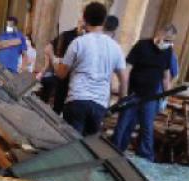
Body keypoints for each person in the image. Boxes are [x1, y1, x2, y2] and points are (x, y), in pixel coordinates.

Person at [56, 2, 128, 135]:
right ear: (104, 20)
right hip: (99, 104)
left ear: (85, 19)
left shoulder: (78, 42)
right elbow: (124, 79)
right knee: (88, 144)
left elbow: (61, 74)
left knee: (71, 143)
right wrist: (120, 102)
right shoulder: (115, 47)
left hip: (77, 99)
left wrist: (55, 62)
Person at [112, 24, 177, 161]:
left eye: (171, 41)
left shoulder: (168, 52)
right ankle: (115, 151)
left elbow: (165, 77)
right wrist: (124, 91)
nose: (168, 43)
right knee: (124, 125)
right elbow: (127, 68)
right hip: (133, 93)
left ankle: (145, 158)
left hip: (151, 97)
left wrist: (166, 97)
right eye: (167, 39)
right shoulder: (142, 45)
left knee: (147, 128)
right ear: (159, 33)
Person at [38, 21, 83, 114]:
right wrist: (55, 61)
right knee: (57, 108)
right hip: (63, 78)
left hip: (77, 83)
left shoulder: (89, 39)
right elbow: (48, 48)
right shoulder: (67, 35)